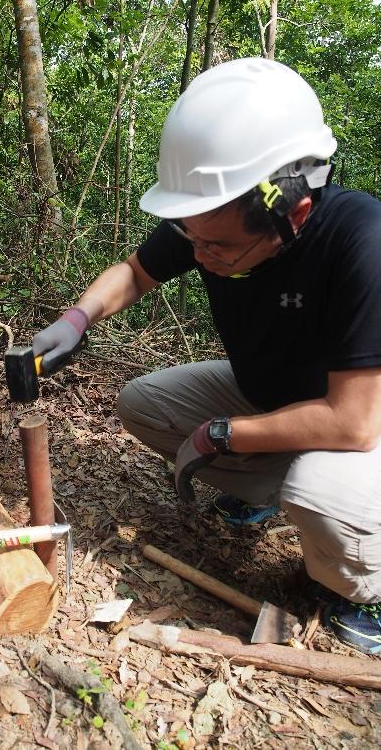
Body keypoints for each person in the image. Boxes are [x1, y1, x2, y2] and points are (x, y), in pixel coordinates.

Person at [33, 58, 381, 655]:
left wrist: (225, 433)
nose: (200, 253)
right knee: (143, 405)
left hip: (362, 425)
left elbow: (353, 420)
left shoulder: (363, 241)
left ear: (293, 212)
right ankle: (270, 493)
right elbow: (133, 272)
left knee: (320, 493)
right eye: (192, 237)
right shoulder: (213, 217)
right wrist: (77, 317)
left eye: (216, 245)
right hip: (275, 396)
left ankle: (360, 588)